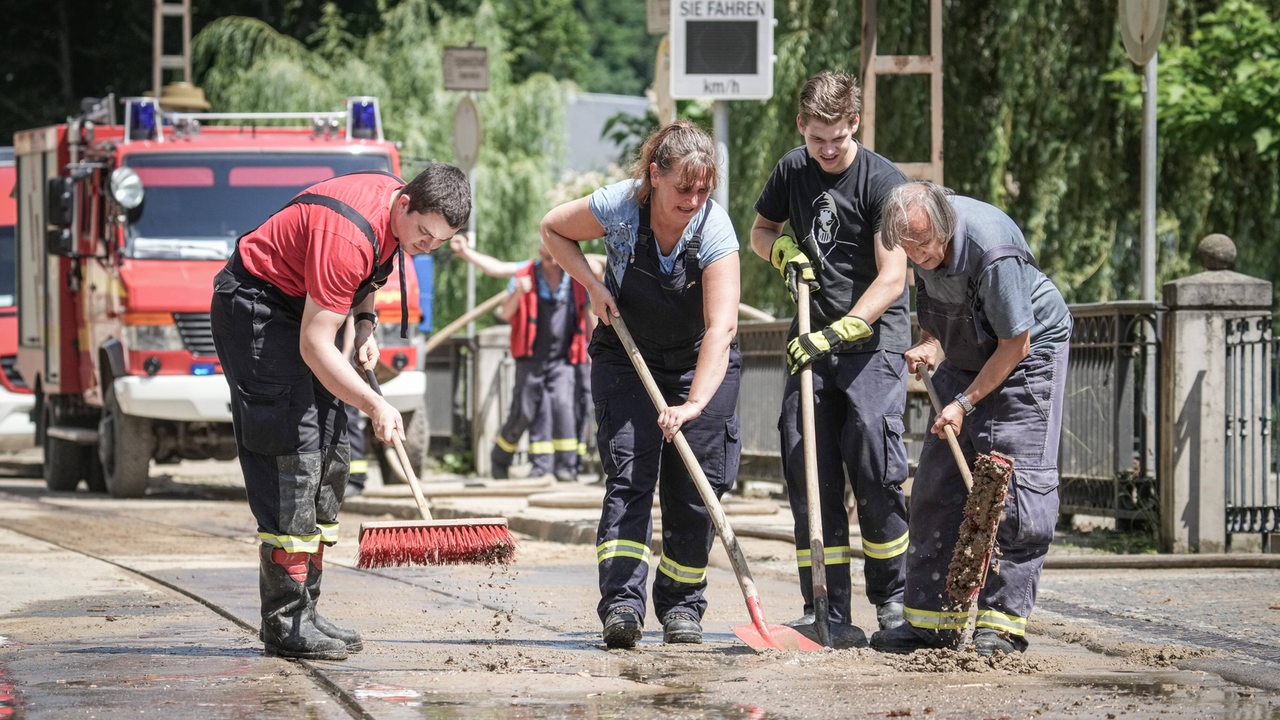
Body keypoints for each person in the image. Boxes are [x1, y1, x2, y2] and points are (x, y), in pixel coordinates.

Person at [210, 164, 471, 661]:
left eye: (438, 243)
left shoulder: (395, 221)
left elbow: (370, 272)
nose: (425, 247)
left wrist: (367, 324)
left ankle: (306, 609)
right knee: (294, 455)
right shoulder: (347, 234)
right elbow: (314, 342)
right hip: (259, 311)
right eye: (423, 234)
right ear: (404, 203)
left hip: (300, 309)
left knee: (331, 451)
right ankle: (284, 622)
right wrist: (375, 403)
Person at [540, 120, 742, 649]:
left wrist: (695, 404)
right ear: (656, 175)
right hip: (627, 356)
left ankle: (681, 604)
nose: (694, 200)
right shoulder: (619, 206)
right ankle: (622, 607)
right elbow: (553, 228)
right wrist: (593, 284)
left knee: (696, 488)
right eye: (683, 188)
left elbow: (722, 327)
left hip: (700, 361)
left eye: (703, 190)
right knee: (630, 477)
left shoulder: (715, 231)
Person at [868, 181, 1071, 656]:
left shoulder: (993, 252)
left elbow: (1014, 344)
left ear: (945, 225)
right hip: (969, 354)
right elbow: (937, 319)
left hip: (1026, 356)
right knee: (937, 489)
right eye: (907, 248)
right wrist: (928, 345)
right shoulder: (919, 239)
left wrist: (964, 402)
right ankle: (930, 625)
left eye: (924, 245)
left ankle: (1001, 626)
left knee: (1012, 490)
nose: (917, 257)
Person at [749, 70, 913, 641]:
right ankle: (826, 607)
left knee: (874, 462)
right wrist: (782, 253)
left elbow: (893, 279)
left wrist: (839, 331)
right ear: (802, 126)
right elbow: (761, 230)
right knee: (807, 466)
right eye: (816, 138)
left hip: (872, 345)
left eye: (836, 139)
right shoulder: (793, 168)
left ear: (856, 125)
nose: (825, 150)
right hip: (809, 343)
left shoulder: (884, 183)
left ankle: (893, 601)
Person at [450, 235, 595, 482]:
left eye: (555, 255)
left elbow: (588, 314)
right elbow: (502, 299)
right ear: (539, 250)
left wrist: (596, 349)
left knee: (563, 406)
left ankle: (564, 467)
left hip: (563, 358)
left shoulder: (575, 276)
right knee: (525, 412)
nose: (550, 261)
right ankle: (501, 457)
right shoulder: (525, 273)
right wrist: (465, 253)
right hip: (531, 358)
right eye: (546, 254)